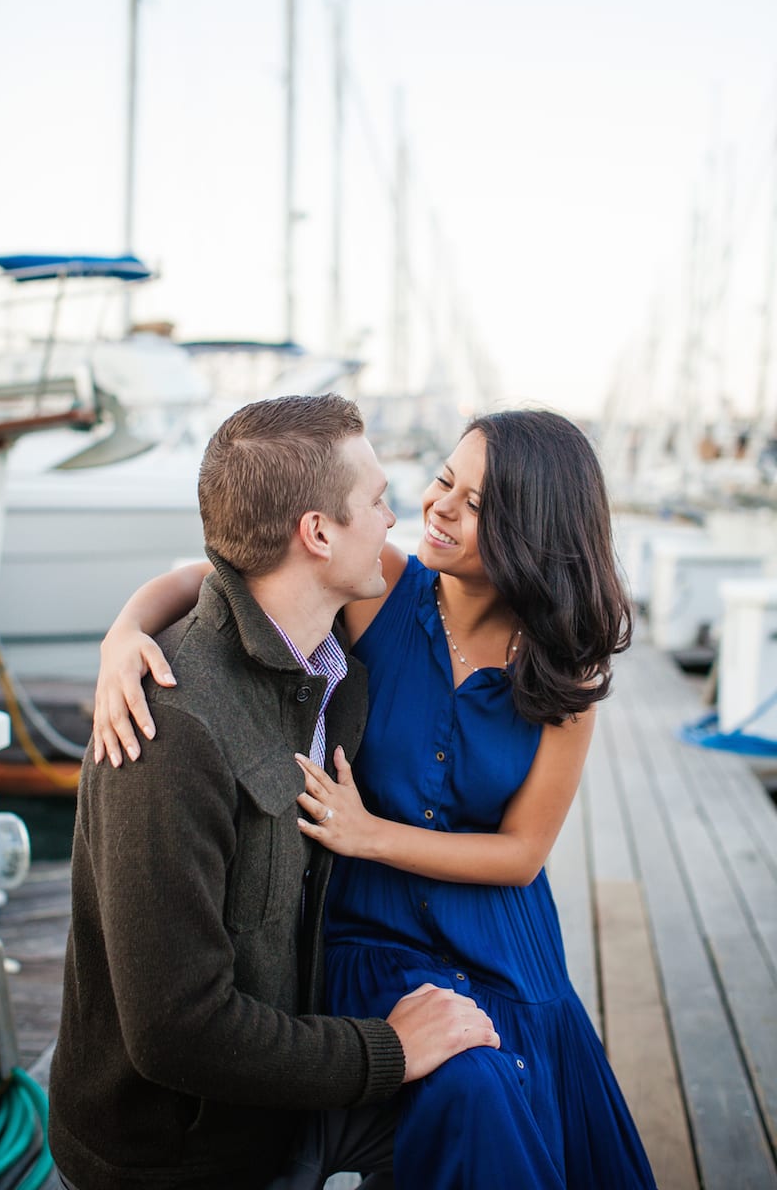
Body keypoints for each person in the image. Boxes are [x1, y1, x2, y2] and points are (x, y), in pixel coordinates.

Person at [92, 406, 659, 1190]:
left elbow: (524, 854)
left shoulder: (563, 670)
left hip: (497, 935)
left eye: (475, 504)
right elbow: (223, 579)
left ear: (535, 531)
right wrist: (123, 631)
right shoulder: (381, 587)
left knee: (525, 1097)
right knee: (473, 1086)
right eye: (442, 481)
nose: (437, 507)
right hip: (377, 931)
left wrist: (370, 834)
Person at [47, 394, 501, 1190]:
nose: (394, 518)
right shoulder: (169, 730)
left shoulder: (326, 674)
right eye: (375, 500)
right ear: (317, 533)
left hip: (281, 1104)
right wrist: (386, 1051)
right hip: (176, 1159)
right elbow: (177, 1032)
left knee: (492, 1109)